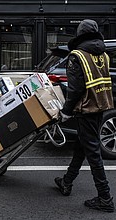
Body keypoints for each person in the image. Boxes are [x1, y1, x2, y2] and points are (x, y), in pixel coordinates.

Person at [54, 19, 115, 212]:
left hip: (86, 109)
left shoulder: (77, 56)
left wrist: (65, 111)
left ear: (80, 34)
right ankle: (67, 181)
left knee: (93, 154)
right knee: (82, 147)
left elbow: (75, 89)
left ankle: (105, 197)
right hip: (100, 107)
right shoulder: (104, 55)